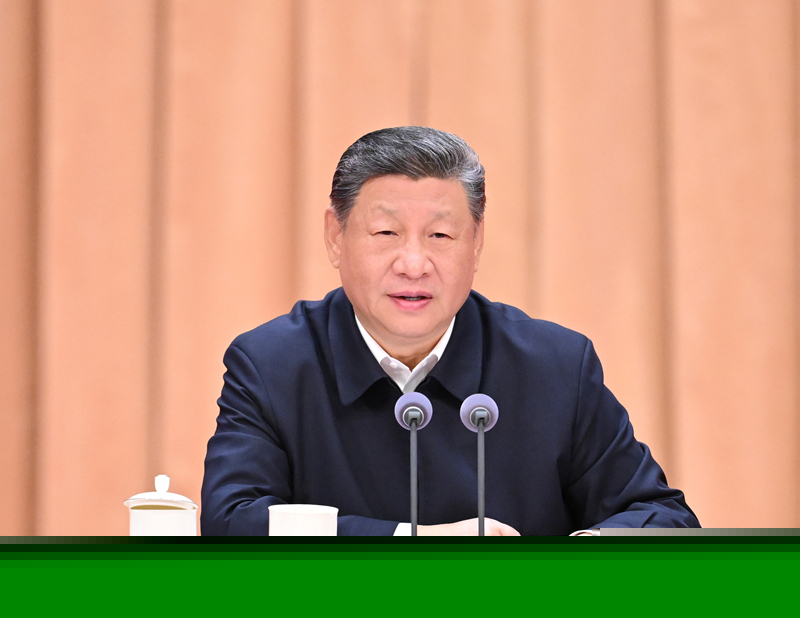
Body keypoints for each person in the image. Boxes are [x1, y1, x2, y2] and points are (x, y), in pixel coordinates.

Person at [201, 126, 699, 536]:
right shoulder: (271, 364)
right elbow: (233, 521)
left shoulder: (555, 366)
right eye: (386, 233)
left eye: (440, 235)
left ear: (476, 242)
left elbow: (662, 517)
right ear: (336, 236)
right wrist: (412, 543)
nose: (414, 264)